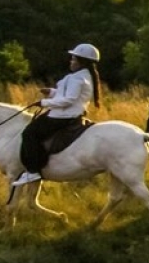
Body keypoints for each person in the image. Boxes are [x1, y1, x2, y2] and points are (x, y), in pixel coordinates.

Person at [12, 43, 102, 186]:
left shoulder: (77, 79)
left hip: (63, 116)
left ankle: (33, 171)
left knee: (30, 133)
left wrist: (44, 103)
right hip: (68, 114)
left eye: (73, 59)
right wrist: (52, 93)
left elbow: (69, 100)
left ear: (81, 62)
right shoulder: (84, 76)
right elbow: (70, 96)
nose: (71, 61)